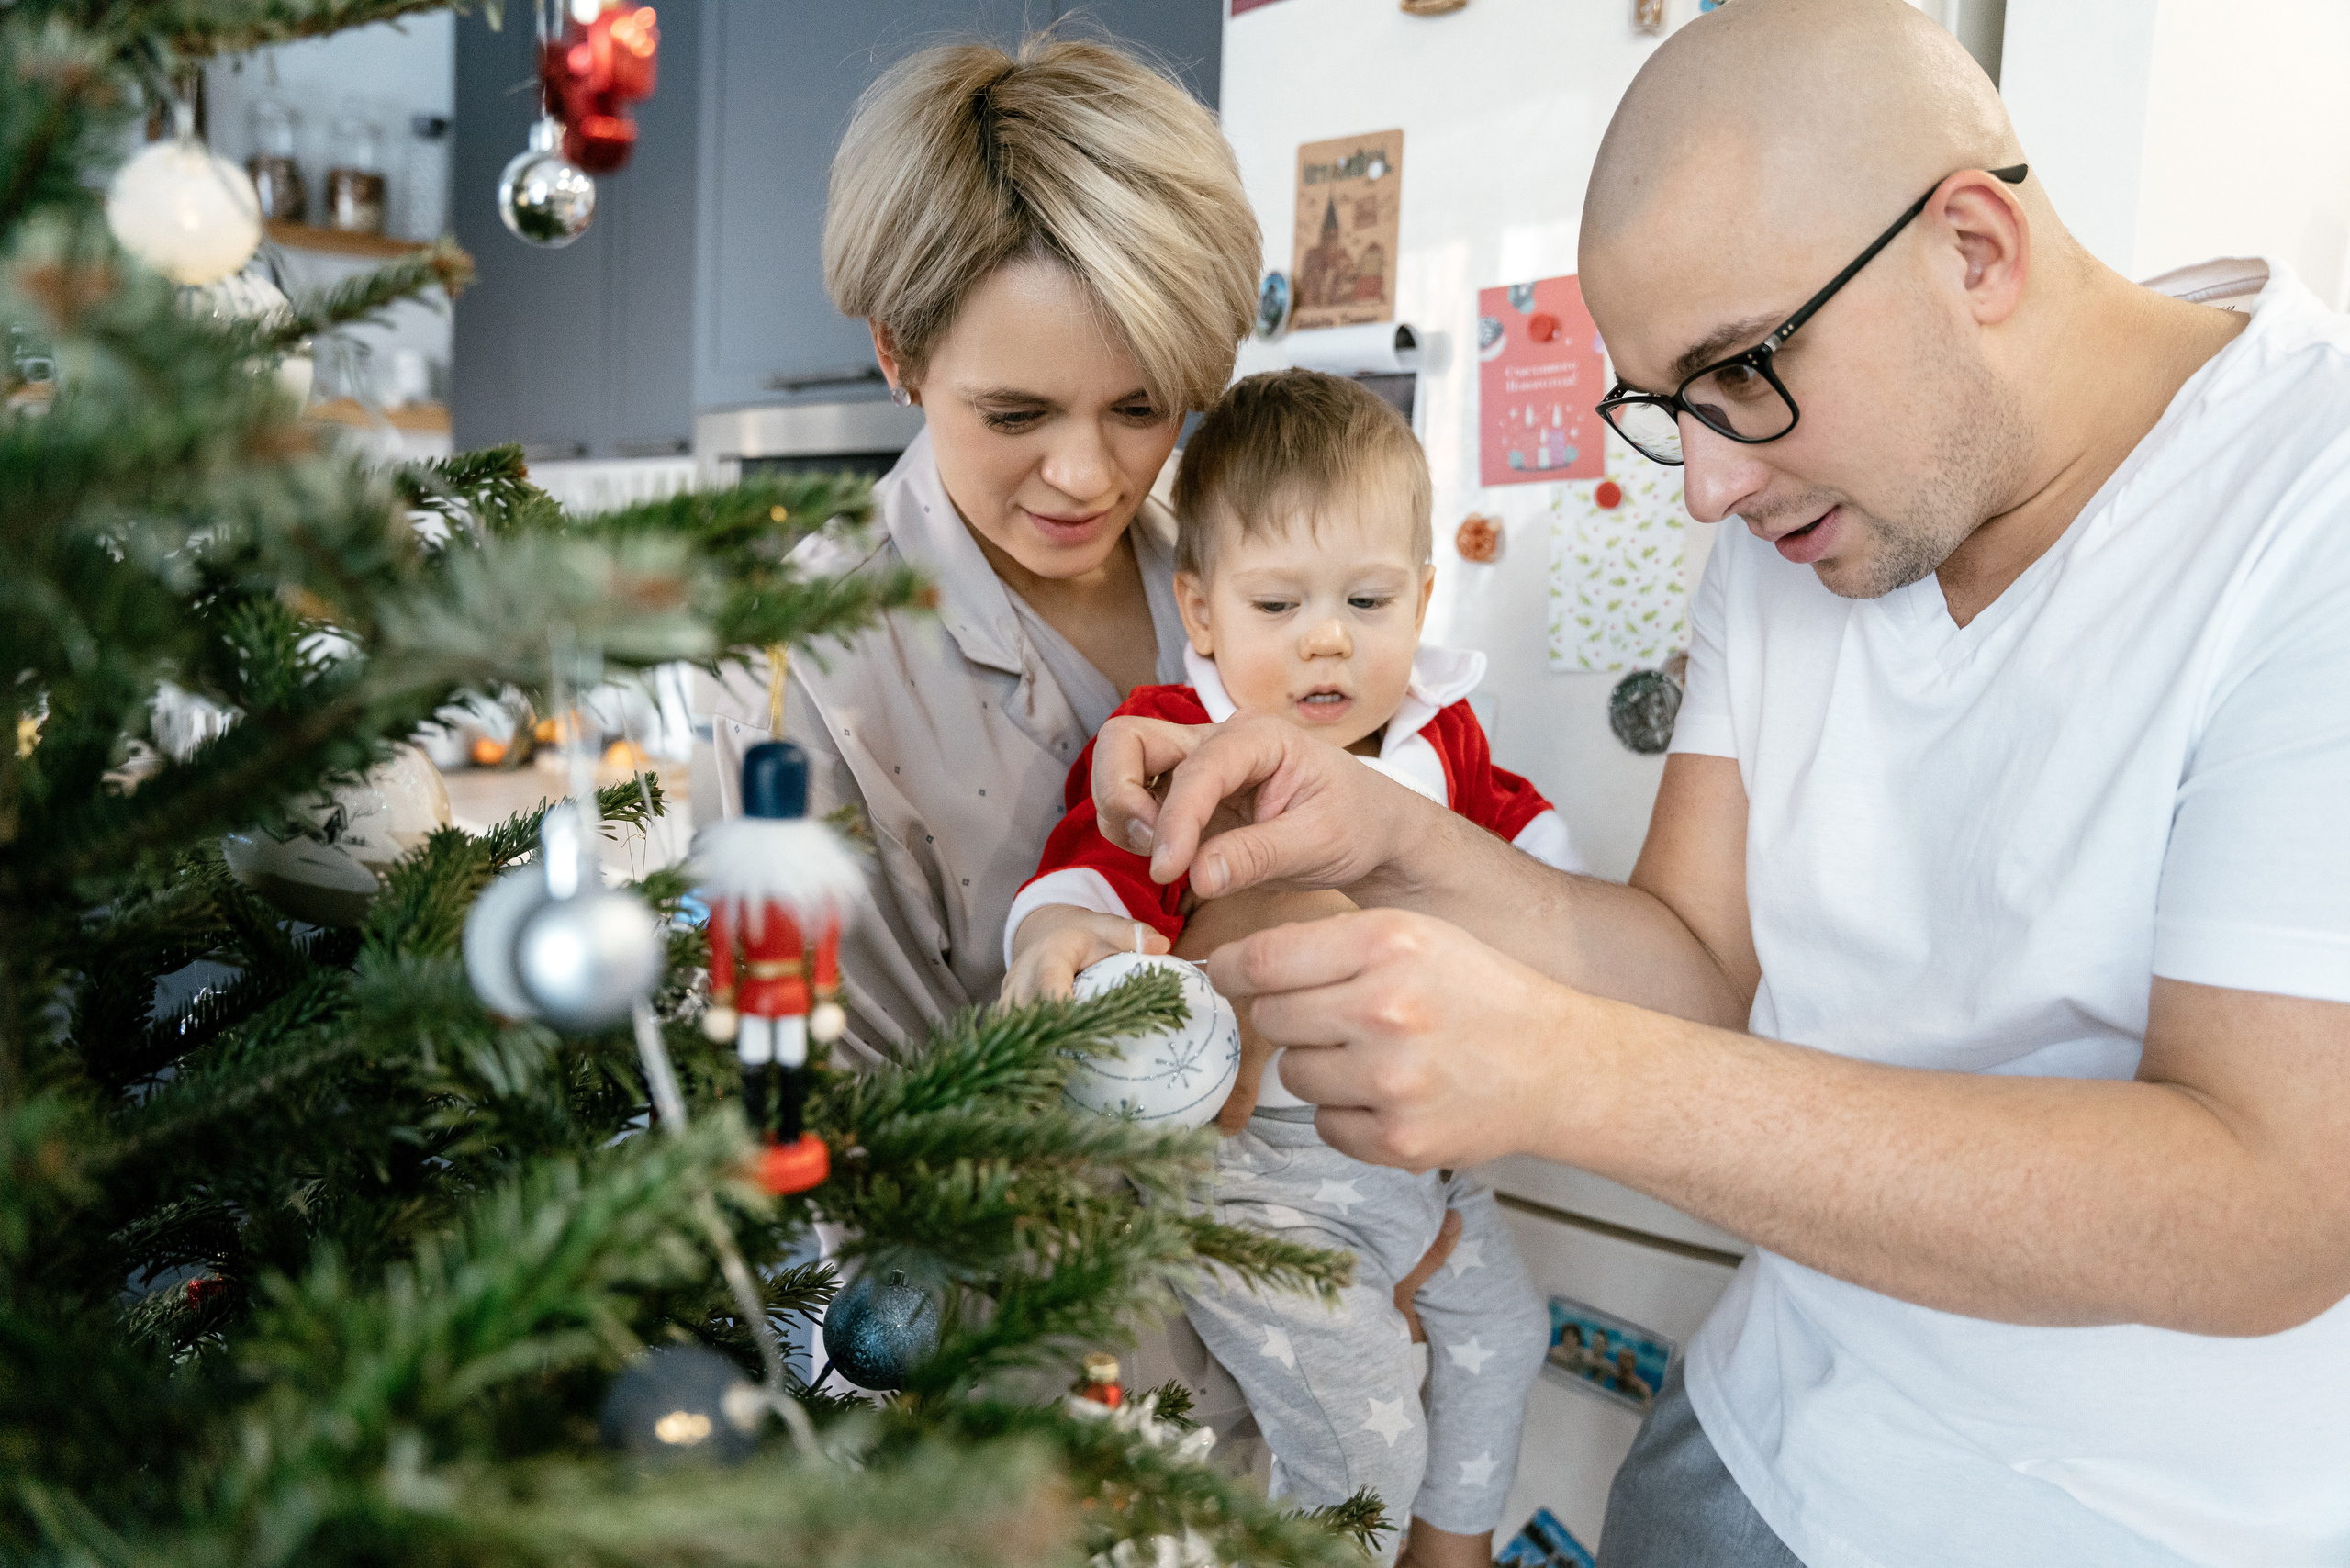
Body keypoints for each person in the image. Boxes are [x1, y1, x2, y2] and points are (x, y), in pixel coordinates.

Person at [1080, 2, 2350, 1565]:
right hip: (1745, 1443)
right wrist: (1394, 834)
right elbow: (1690, 966)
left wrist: (1565, 1072)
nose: (1708, 481)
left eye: (1739, 373)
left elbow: (2274, 1210)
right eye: (1666, 407)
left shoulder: (2310, 512)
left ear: (1973, 249)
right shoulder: (1800, 515)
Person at [710, 30, 1463, 1527]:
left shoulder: (1241, 558)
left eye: (1140, 407)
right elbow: (796, 1158)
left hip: (1329, 1336)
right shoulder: (797, 673)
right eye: (1016, 417)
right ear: (897, 354)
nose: (1087, 477)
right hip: (1031, 1414)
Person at [1003, 371, 1565, 1567]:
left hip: (1435, 1153)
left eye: (1367, 599)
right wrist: (1055, 933)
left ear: (1423, 596)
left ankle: (1451, 1554)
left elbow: (1530, 855)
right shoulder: (1176, 737)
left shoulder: (1440, 735)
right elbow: (1085, 873)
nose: (1326, 637)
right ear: (1203, 614)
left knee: (1510, 1336)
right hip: (1262, 1185)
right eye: (1280, 604)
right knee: (1362, 1436)